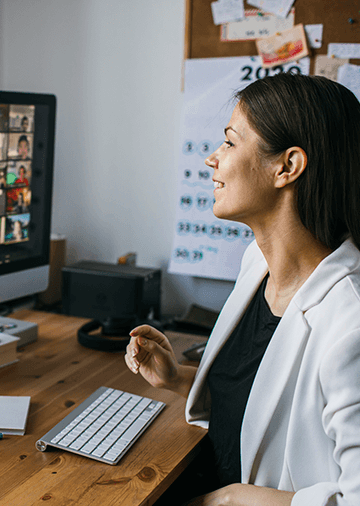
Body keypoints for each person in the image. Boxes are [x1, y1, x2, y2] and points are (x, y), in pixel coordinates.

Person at [124, 74, 360, 505]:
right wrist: (181, 380)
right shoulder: (257, 263)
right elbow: (271, 408)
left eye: (230, 142)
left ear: (287, 167)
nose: (213, 159)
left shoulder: (350, 323)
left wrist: (234, 499)